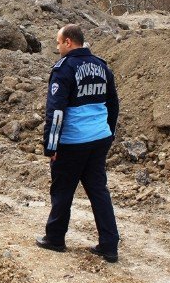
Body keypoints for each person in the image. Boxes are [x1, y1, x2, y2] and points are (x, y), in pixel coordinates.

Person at [36, 24, 120, 263]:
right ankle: (109, 245)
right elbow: (113, 105)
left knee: (62, 190)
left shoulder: (64, 69)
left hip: (72, 142)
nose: (57, 46)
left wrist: (51, 146)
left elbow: (56, 112)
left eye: (58, 42)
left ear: (69, 42)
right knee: (98, 191)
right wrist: (109, 134)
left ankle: (55, 238)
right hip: (99, 139)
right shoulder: (102, 66)